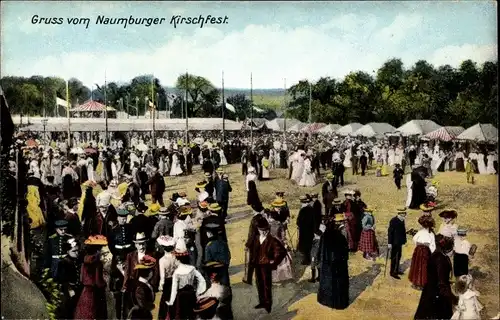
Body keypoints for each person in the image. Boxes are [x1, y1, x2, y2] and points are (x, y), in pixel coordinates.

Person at [414, 234, 458, 319]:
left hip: (431, 290)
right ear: (447, 249)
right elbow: (441, 282)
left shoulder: (438, 254)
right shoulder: (441, 260)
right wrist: (453, 298)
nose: (453, 251)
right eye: (452, 249)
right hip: (437, 293)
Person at [249, 218, 287, 313]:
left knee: (267, 286)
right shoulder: (256, 238)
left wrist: (273, 262)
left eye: (266, 230)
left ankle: (268, 305)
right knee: (259, 284)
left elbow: (282, 251)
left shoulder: (272, 240)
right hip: (257, 265)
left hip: (266, 266)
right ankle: (262, 302)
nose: (264, 232)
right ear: (258, 229)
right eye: (262, 230)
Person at [167, 239, 207, 320]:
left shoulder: (176, 273)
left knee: (181, 316)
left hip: (181, 297)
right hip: (191, 294)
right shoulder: (192, 269)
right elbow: (202, 280)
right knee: (192, 315)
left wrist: (171, 302)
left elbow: (174, 290)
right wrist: (198, 292)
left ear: (177, 258)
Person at [317, 214, 350, 310]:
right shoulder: (340, 237)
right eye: (342, 222)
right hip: (337, 265)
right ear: (339, 223)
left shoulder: (325, 234)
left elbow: (320, 250)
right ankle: (337, 304)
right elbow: (343, 253)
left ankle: (325, 300)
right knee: (338, 285)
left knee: (327, 283)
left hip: (326, 264)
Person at [74, 235, 108, 320]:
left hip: (85, 291)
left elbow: (81, 278)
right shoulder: (97, 263)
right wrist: (104, 284)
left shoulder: (84, 260)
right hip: (94, 292)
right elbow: (98, 282)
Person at [408, 215, 436, 290]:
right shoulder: (431, 234)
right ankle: (422, 284)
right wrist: (432, 252)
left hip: (418, 251)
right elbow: (433, 245)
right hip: (426, 252)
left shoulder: (420, 232)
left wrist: (418, 245)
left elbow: (414, 239)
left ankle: (416, 283)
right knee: (424, 267)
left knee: (417, 266)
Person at [156, 236, 179, 320]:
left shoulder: (162, 260)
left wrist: (160, 286)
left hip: (167, 282)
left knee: (165, 304)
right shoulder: (176, 258)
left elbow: (162, 277)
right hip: (174, 281)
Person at [128, 255, 157, 320]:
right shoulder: (140, 286)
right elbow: (142, 305)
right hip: (140, 316)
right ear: (150, 273)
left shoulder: (145, 283)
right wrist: (152, 306)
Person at [387, 208, 407, 279]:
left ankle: (397, 270)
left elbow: (403, 231)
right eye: (404, 213)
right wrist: (389, 243)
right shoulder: (393, 221)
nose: (405, 214)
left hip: (400, 242)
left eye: (405, 213)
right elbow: (390, 232)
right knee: (394, 257)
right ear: (400, 213)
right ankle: (393, 272)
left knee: (399, 256)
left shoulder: (402, 220)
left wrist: (404, 240)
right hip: (394, 242)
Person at [297, 195, 315, 265]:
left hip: (304, 231)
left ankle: (307, 260)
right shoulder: (312, 209)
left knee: (305, 246)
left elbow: (298, 221)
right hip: (310, 231)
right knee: (310, 245)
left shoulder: (302, 210)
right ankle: (311, 259)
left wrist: (299, 225)